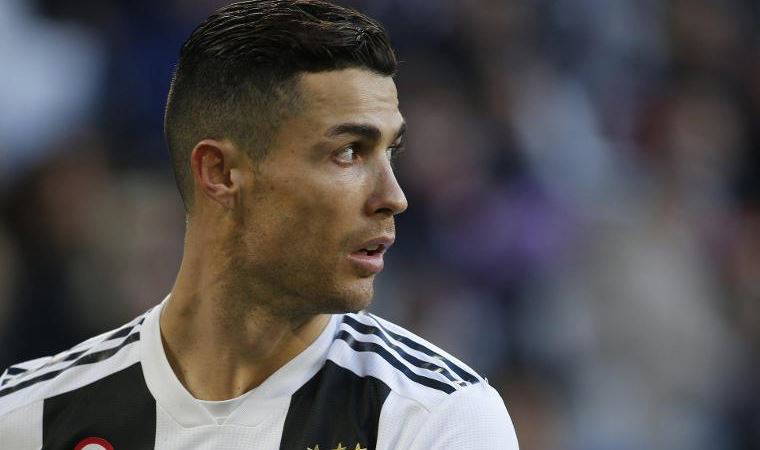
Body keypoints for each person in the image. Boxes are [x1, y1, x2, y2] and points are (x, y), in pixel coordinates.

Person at [0, 1, 519, 448]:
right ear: (221, 173)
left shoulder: (434, 419)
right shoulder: (27, 418)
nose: (394, 198)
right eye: (347, 152)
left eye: (391, 152)